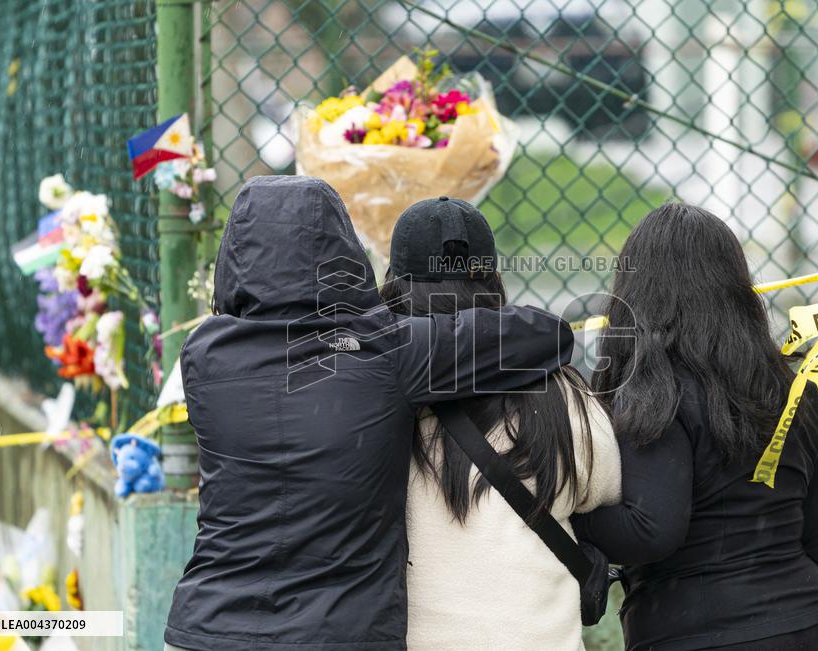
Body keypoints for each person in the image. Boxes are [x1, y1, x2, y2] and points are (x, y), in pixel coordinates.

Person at [163, 177, 574, 651]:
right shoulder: (389, 349)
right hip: (338, 632)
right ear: (343, 251)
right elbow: (547, 335)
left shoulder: (203, 355)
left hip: (208, 627)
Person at [575, 203, 818, 650]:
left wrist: (562, 509)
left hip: (698, 633)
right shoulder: (794, 389)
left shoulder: (654, 392)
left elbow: (649, 531)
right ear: (737, 289)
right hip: (809, 622)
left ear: (636, 293)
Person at [378, 196, 622, 650]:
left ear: (394, 284)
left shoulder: (370, 396)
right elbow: (607, 488)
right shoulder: (561, 394)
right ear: (493, 281)